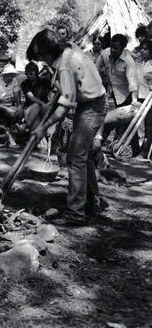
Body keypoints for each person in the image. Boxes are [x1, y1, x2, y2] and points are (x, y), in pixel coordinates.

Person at [28, 28, 107, 226]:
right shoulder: (70, 49)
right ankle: (91, 201)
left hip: (92, 108)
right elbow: (65, 93)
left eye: (41, 57)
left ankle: (76, 212)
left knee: (75, 157)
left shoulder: (65, 65)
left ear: (47, 52)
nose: (42, 61)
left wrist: (43, 127)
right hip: (91, 104)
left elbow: (64, 107)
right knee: (83, 156)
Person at [95, 34, 141, 155]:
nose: (113, 50)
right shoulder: (105, 53)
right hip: (112, 91)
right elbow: (95, 69)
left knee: (127, 122)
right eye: (112, 47)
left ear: (123, 48)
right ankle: (98, 145)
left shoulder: (128, 61)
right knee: (109, 120)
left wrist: (134, 100)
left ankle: (134, 151)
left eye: (116, 48)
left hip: (126, 94)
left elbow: (132, 82)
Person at [14, 62, 52, 135]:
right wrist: (42, 103)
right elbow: (32, 98)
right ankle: (36, 142)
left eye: (31, 73)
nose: (28, 75)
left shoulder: (44, 81)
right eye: (27, 73)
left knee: (38, 107)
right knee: (36, 114)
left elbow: (54, 90)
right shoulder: (24, 84)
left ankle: (24, 127)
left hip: (43, 109)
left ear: (36, 73)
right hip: (29, 109)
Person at [0, 63, 22, 147]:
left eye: (12, 75)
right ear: (3, 75)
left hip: (9, 105)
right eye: (8, 75)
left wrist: (18, 106)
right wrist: (5, 108)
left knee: (19, 111)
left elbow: (17, 98)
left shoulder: (14, 81)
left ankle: (12, 134)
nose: (10, 78)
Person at [136, 40, 152, 159]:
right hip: (139, 96)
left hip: (150, 98)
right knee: (138, 124)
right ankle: (139, 148)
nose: (142, 51)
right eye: (141, 48)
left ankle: (145, 152)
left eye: (145, 49)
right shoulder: (139, 62)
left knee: (149, 125)